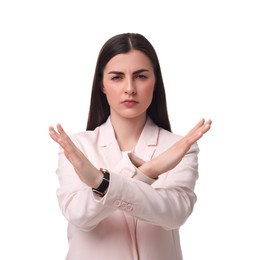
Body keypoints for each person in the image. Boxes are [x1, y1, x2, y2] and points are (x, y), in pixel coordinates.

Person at [49, 33, 212, 260]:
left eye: (141, 76)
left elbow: (175, 214)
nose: (130, 88)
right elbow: (79, 215)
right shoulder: (78, 146)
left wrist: (100, 182)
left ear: (155, 81)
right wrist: (148, 172)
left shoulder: (178, 147)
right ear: (102, 84)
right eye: (117, 77)